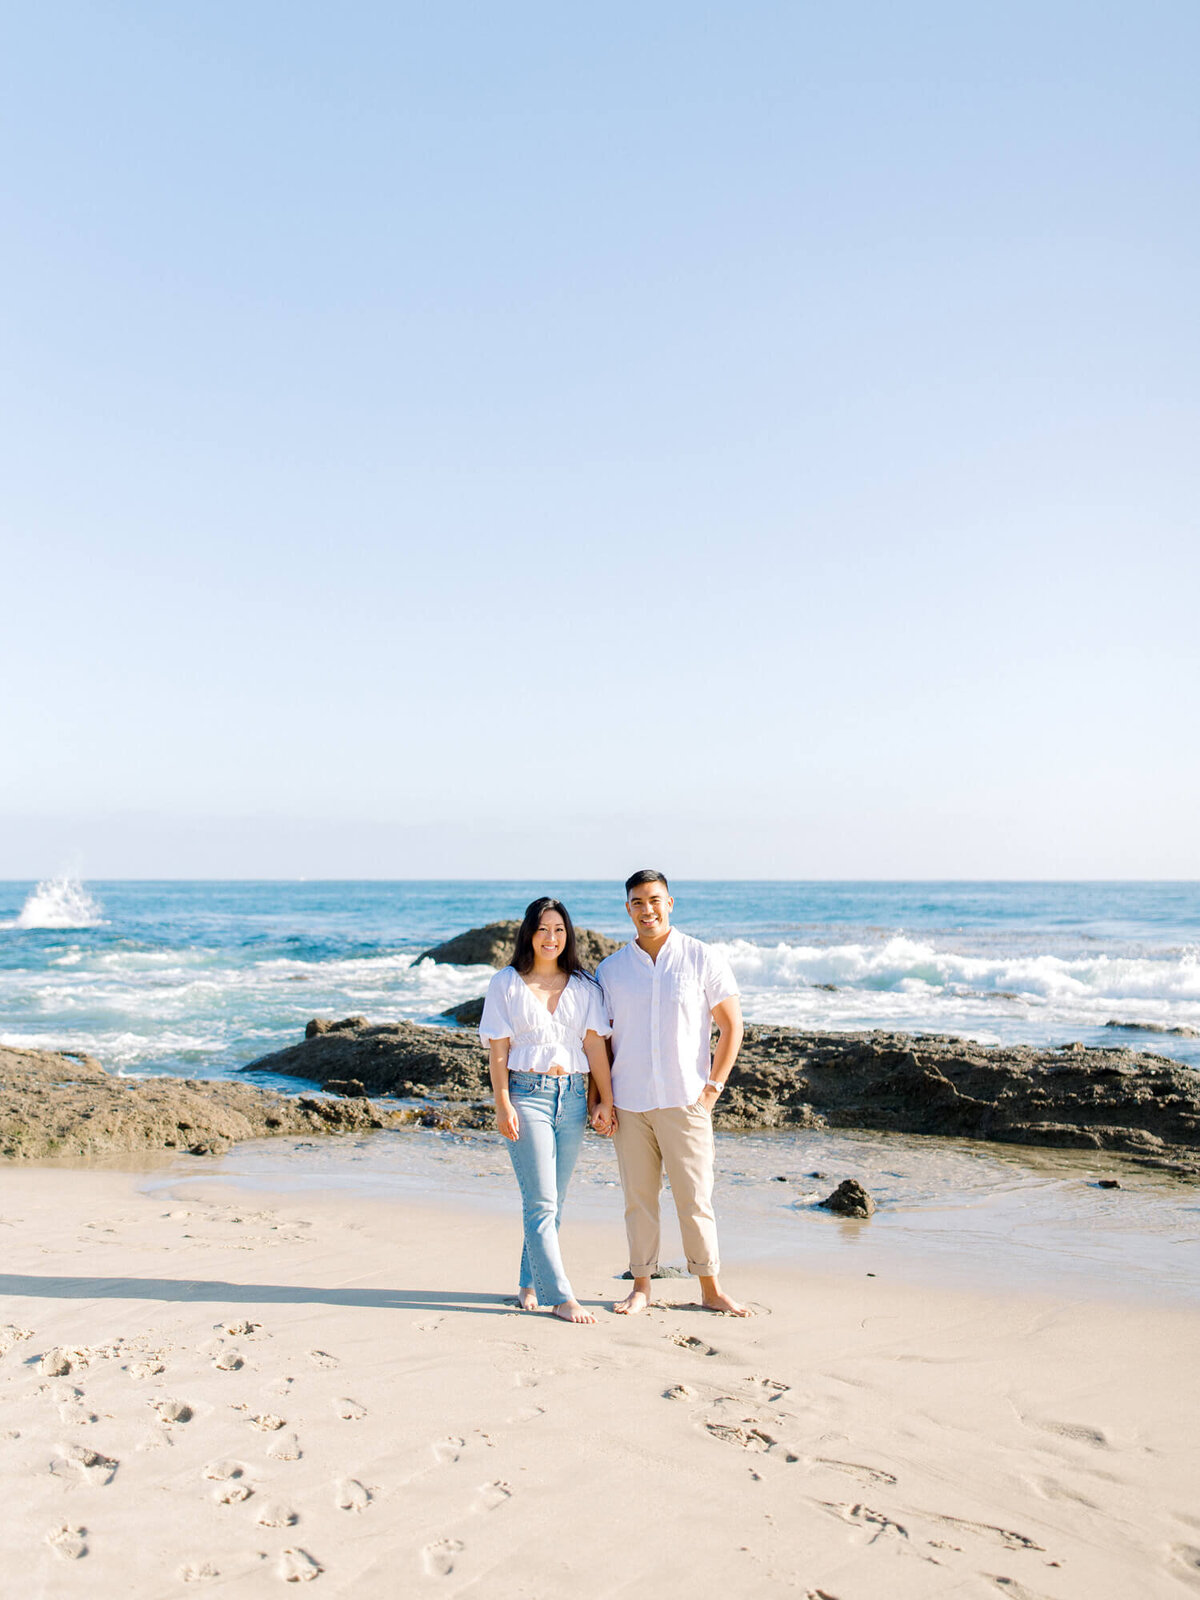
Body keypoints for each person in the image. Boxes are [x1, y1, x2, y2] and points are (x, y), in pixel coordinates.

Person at [596, 870, 750, 1317]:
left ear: (670, 903)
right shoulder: (611, 971)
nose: (648, 910)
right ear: (628, 909)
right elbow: (601, 1042)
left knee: (695, 1199)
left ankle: (710, 1288)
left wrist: (712, 1090)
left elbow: (731, 1025)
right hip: (630, 1103)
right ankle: (641, 1286)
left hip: (687, 1102)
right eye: (638, 902)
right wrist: (600, 1101)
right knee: (638, 1200)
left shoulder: (702, 958)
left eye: (655, 900)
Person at [480, 897, 616, 1325]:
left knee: (553, 1203)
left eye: (558, 930)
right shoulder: (506, 983)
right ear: (529, 933)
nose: (551, 938)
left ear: (567, 935)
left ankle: (528, 1283)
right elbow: (498, 1050)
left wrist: (604, 1100)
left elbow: (595, 1046)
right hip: (527, 1095)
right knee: (540, 1200)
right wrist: (502, 1102)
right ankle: (561, 1296)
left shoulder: (585, 986)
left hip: (573, 1098)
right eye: (542, 929)